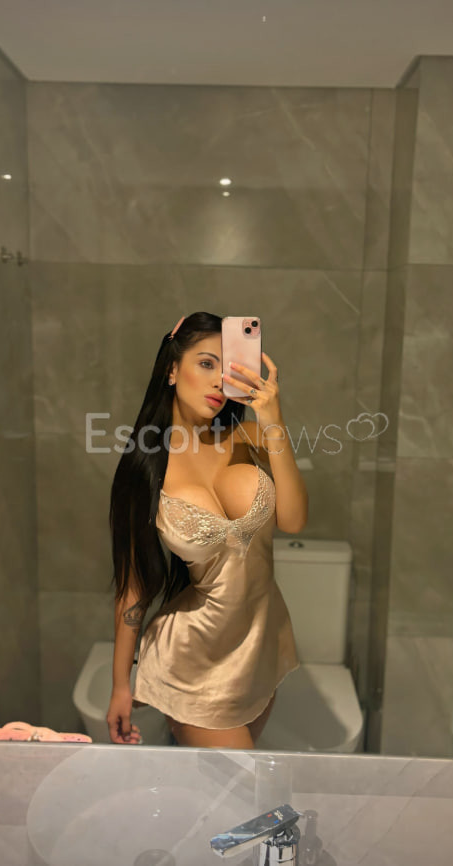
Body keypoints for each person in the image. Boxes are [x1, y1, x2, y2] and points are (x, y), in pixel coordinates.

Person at [106, 312, 308, 749]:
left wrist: (273, 419)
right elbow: (133, 585)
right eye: (206, 363)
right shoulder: (145, 468)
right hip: (193, 663)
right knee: (247, 787)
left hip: (260, 648)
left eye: (228, 367)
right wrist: (121, 684)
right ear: (171, 369)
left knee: (224, 789)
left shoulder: (250, 435)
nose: (219, 380)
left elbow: (293, 520)